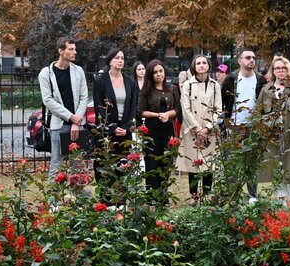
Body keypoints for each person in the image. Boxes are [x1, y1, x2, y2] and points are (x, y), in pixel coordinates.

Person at [256, 57, 290, 203]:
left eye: (283, 68)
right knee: (277, 167)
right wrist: (264, 125)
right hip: (273, 135)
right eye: (277, 68)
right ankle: (282, 200)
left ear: (288, 70)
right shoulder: (266, 90)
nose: (281, 70)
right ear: (273, 71)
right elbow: (258, 111)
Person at [93, 47, 138, 206]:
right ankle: (107, 202)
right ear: (109, 61)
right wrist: (111, 128)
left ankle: (121, 202)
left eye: (122, 58)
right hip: (107, 131)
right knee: (105, 166)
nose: (120, 61)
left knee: (123, 166)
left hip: (124, 130)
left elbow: (133, 106)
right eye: (117, 58)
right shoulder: (101, 81)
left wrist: (126, 126)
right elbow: (99, 106)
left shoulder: (130, 81)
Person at [38, 37, 89, 178]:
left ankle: (77, 192)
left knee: (77, 165)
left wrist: (76, 122)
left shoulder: (78, 71)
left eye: (75, 49)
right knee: (56, 164)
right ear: (61, 51)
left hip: (78, 125)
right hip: (58, 124)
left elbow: (84, 97)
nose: (75, 52)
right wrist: (70, 117)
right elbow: (48, 100)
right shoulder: (46, 73)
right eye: (71, 49)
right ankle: (54, 193)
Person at [221, 49, 266, 202]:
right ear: (240, 61)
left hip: (253, 127)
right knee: (232, 163)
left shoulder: (261, 80)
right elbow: (222, 102)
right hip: (234, 127)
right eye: (248, 57)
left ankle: (252, 196)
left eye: (253, 57)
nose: (251, 60)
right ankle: (233, 195)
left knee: (252, 163)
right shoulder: (231, 79)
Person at [177, 55, 222, 204]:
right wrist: (197, 128)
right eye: (198, 63)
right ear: (193, 66)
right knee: (193, 164)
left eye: (204, 62)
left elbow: (218, 108)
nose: (201, 65)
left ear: (208, 65)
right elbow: (185, 108)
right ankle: (194, 196)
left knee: (208, 163)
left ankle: (207, 194)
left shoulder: (215, 85)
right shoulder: (187, 85)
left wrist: (208, 128)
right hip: (192, 130)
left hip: (210, 130)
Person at [138, 59, 180, 206]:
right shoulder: (146, 91)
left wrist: (168, 114)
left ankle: (163, 196)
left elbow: (178, 109)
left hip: (167, 128)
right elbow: (140, 111)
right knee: (152, 162)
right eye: (155, 72)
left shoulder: (172, 89)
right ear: (150, 74)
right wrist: (157, 115)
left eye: (160, 71)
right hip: (151, 130)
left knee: (166, 162)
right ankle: (151, 197)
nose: (158, 74)